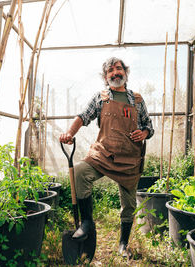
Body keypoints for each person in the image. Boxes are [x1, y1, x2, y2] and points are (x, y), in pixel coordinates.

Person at [59, 57, 154, 258]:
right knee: (79, 172)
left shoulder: (136, 100)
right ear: (105, 77)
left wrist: (144, 133)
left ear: (125, 72)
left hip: (129, 159)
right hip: (104, 154)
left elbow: (149, 126)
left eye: (118, 69)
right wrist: (69, 133)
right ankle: (86, 223)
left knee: (128, 206)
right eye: (110, 71)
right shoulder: (101, 98)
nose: (115, 73)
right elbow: (83, 116)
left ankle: (123, 244)